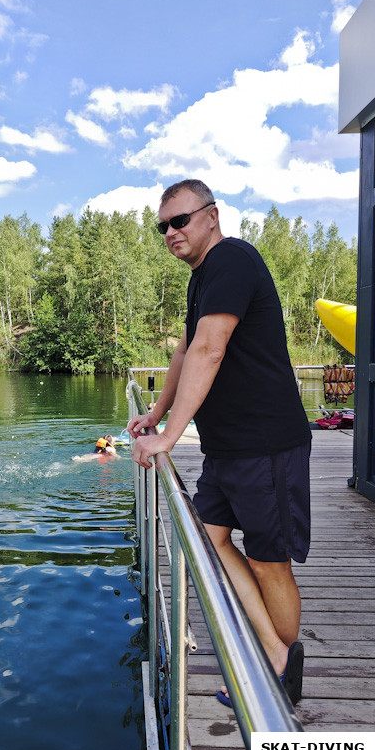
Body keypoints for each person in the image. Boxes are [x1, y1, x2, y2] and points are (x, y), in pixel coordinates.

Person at [127, 179, 311, 707]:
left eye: (179, 220)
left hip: (266, 444)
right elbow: (186, 350)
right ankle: (272, 651)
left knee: (270, 558)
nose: (170, 233)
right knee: (209, 536)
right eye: (162, 226)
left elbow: (211, 348)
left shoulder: (232, 259)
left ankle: (284, 669)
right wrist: (155, 412)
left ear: (211, 215)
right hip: (228, 448)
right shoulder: (203, 278)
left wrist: (169, 436)